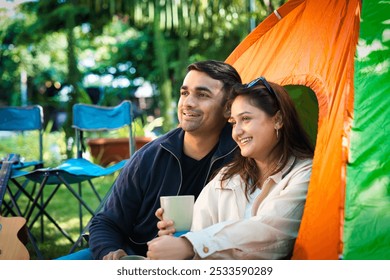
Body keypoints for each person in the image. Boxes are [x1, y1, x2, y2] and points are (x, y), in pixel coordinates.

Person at [60, 60, 242, 260]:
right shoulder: (149, 157)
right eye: (184, 93)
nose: (188, 103)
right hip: (133, 256)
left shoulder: (242, 160)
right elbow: (107, 222)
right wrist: (111, 253)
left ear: (228, 108)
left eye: (202, 95)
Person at [147, 77, 314, 260]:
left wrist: (191, 245)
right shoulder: (225, 178)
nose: (237, 131)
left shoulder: (305, 175)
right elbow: (197, 232)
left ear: (278, 120)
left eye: (246, 119)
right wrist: (178, 238)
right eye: (233, 122)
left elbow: (271, 233)